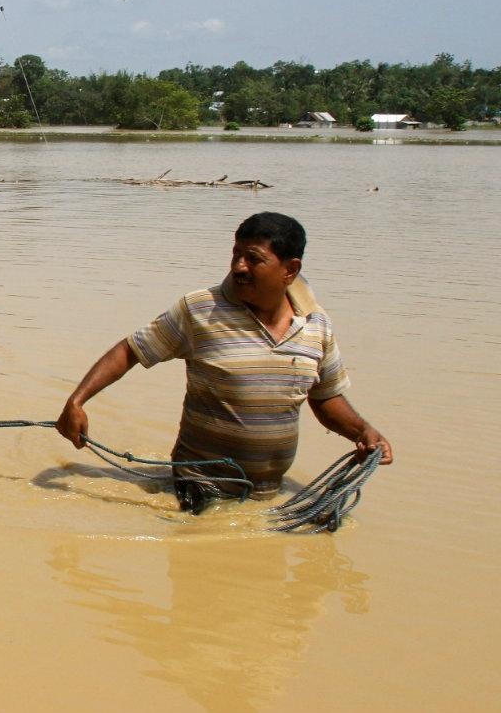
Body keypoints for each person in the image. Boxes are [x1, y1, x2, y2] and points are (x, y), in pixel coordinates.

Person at [56, 211, 393, 512]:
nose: (238, 266)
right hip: (199, 489)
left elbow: (325, 397)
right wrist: (77, 402)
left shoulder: (316, 324)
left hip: (268, 496)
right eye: (236, 254)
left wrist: (362, 432)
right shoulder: (201, 310)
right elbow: (130, 351)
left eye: (253, 259)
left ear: (290, 270)